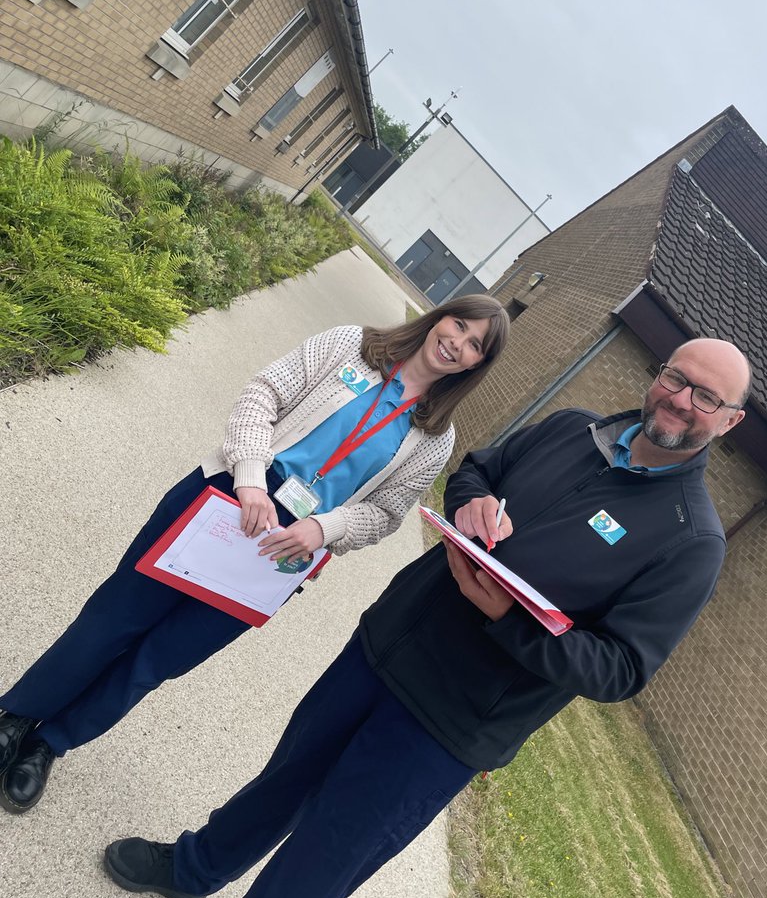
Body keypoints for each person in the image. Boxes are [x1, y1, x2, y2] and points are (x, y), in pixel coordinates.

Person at [102, 336, 750, 898]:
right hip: (388, 643)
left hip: (451, 722)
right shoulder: (570, 429)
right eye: (676, 377)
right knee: (284, 779)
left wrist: (506, 618)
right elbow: (477, 470)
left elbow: (620, 668)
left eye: (707, 397)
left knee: (316, 868)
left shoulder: (690, 542)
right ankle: (193, 868)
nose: (681, 399)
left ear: (729, 421)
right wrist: (471, 501)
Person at [0, 295, 510, 813]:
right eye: (459, 324)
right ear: (439, 317)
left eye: (475, 346)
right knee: (114, 617)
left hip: (286, 552)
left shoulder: (433, 438)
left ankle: (50, 744)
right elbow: (262, 395)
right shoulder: (351, 347)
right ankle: (18, 716)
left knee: (158, 659)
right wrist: (249, 479)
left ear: (477, 365)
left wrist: (323, 528)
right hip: (229, 493)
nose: (457, 343)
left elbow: (385, 513)